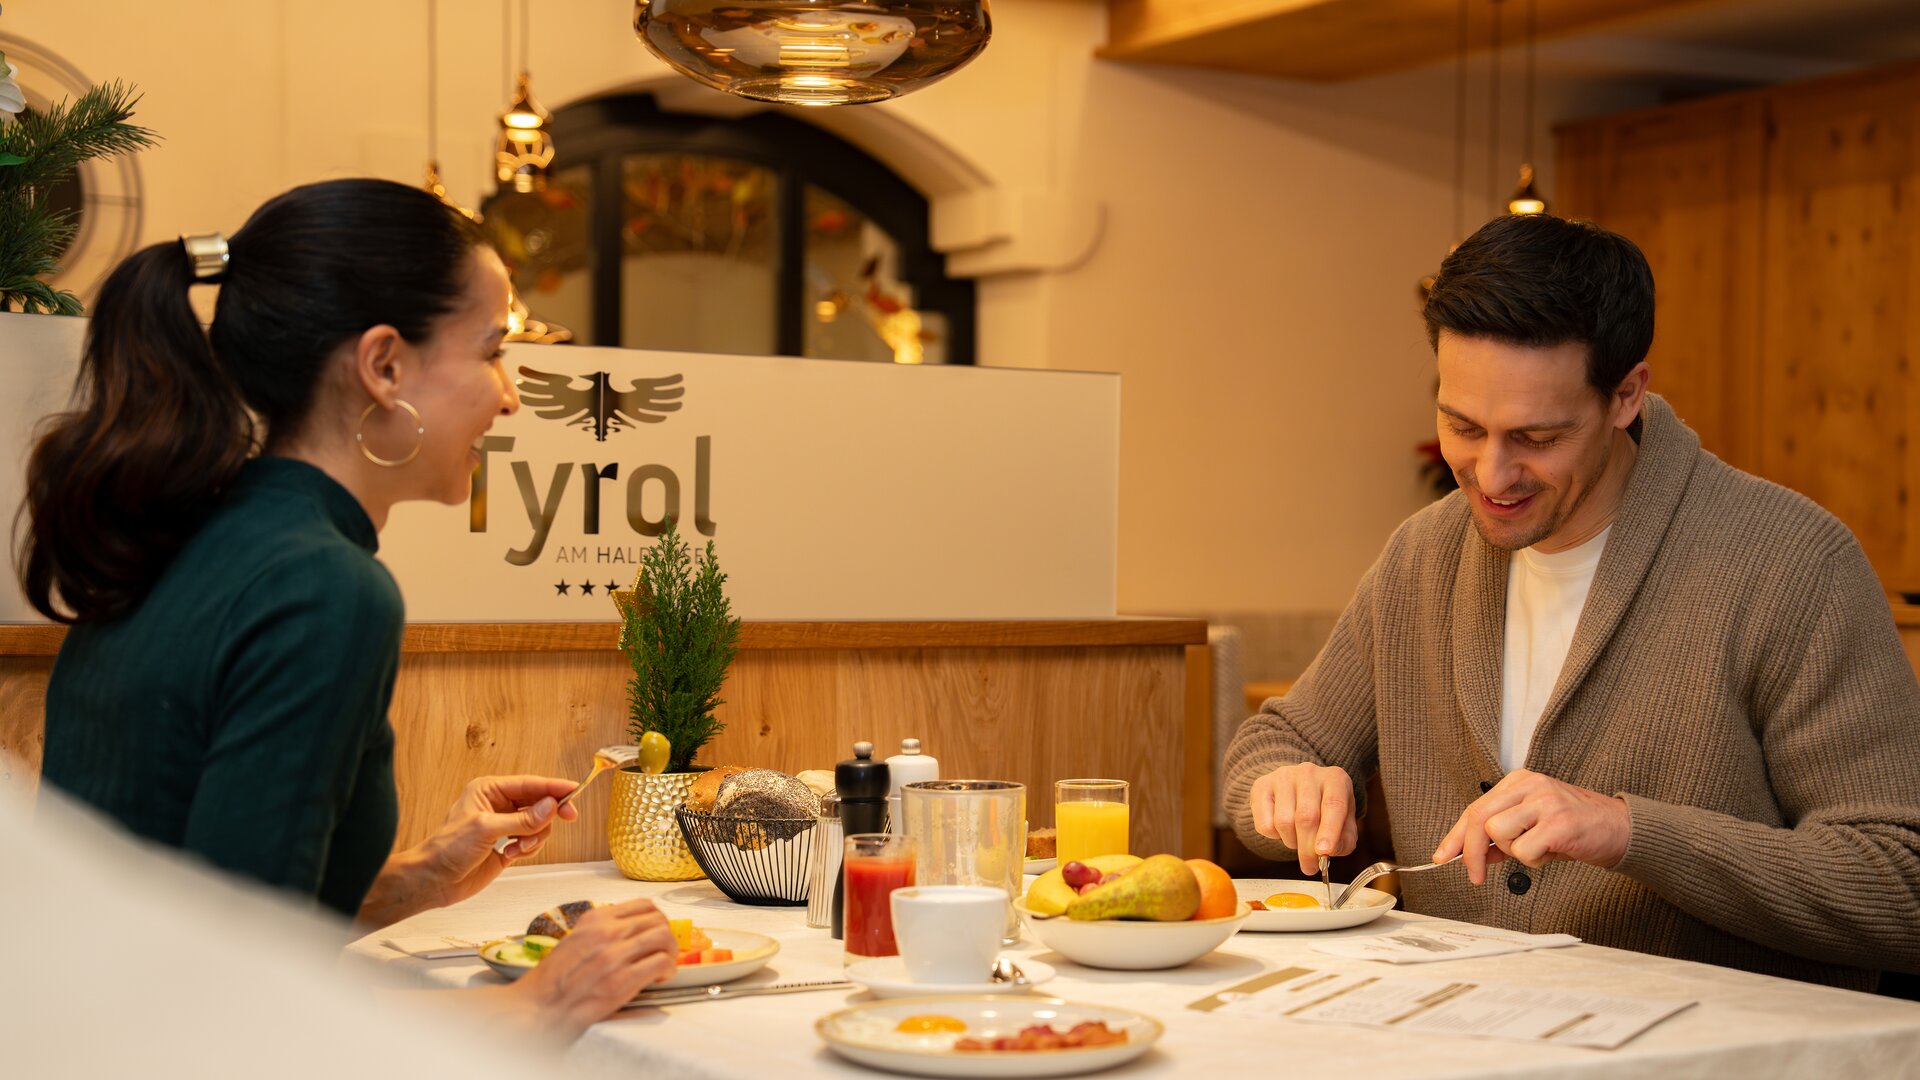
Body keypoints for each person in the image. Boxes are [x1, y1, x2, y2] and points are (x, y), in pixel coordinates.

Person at [19, 178, 677, 1034]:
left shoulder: (186, 533)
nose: (509, 396)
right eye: (491, 351)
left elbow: (199, 905)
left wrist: (425, 875)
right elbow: (234, 1015)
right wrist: (546, 1001)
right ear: (384, 365)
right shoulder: (325, 588)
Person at [1224, 212, 1920, 992]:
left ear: (1626, 395)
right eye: (1462, 426)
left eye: (1538, 438)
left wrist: (1629, 832)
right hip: (1462, 1033)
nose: (1490, 475)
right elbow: (1268, 753)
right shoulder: (1422, 555)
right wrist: (1286, 786)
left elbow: (1900, 882)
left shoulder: (1792, 563)